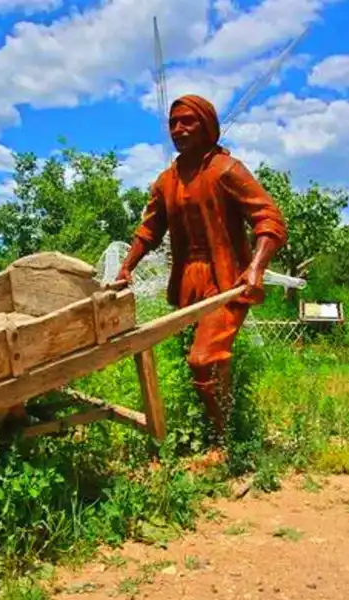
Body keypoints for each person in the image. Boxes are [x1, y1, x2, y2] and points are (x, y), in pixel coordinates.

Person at [116, 94, 288, 437]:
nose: (178, 129)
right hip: (187, 280)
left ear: (207, 126)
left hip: (226, 280)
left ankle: (223, 441)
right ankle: (211, 430)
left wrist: (256, 267)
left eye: (187, 121)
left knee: (203, 358)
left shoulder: (227, 170)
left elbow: (269, 219)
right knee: (197, 360)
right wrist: (126, 267)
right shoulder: (167, 181)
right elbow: (149, 229)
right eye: (172, 123)